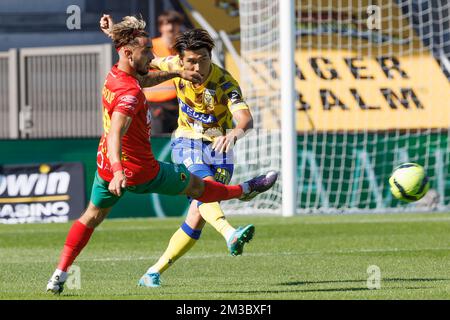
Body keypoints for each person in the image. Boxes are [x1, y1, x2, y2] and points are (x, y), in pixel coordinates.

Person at [46, 15, 278, 294]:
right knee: (200, 186)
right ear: (182, 59)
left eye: (202, 59)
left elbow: (244, 118)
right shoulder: (136, 90)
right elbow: (133, 85)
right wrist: (120, 169)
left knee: (194, 216)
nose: (195, 66)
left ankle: (145, 272)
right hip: (173, 149)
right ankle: (237, 214)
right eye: (189, 61)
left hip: (214, 145)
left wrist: (235, 133)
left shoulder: (223, 82)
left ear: (210, 56)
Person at [144, 10, 185, 134]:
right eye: (167, 23)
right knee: (158, 141)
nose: (171, 27)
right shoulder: (152, 46)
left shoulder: (182, 48)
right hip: (156, 104)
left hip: (178, 103)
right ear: (160, 27)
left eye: (174, 23)